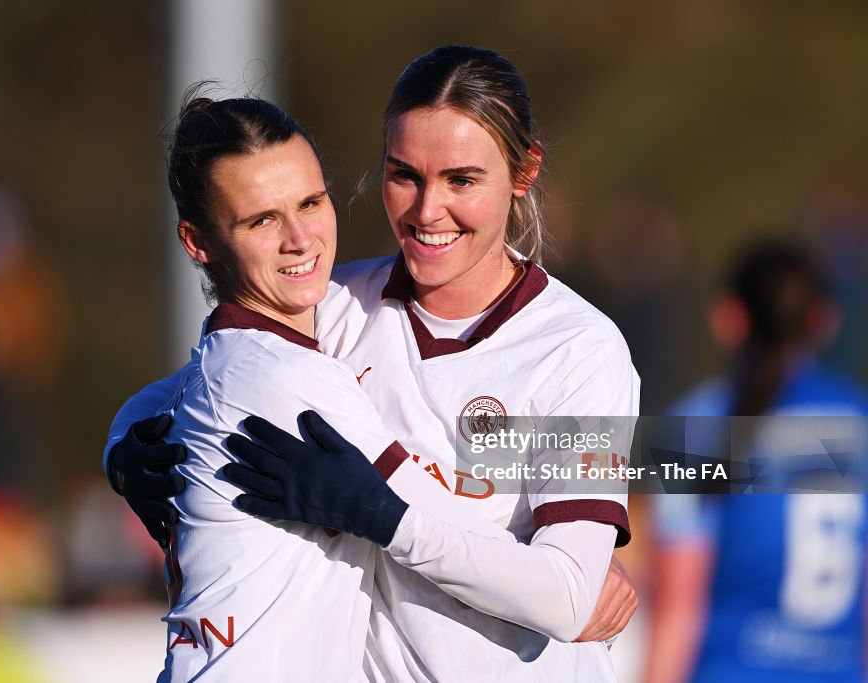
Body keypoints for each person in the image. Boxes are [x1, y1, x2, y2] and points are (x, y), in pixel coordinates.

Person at [109, 46, 640, 681]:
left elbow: (568, 597)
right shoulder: (337, 306)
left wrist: (387, 519)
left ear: (523, 172)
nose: (426, 210)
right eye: (404, 175)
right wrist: (125, 446)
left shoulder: (577, 350)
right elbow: (214, 377)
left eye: (462, 180)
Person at [643, 240, 868, 683]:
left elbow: (677, 616)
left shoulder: (698, 425)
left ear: (728, 320)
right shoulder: (859, 418)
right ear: (823, 322)